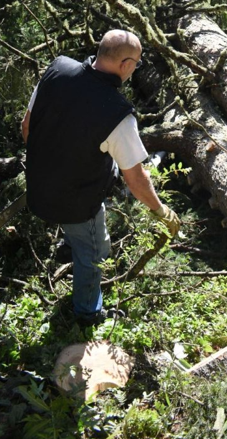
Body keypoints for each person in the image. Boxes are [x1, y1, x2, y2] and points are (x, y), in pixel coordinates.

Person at [21, 29, 180, 325]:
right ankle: (88, 314)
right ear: (126, 65)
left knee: (82, 235)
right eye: (137, 65)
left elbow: (27, 127)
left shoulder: (58, 69)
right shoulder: (118, 115)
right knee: (93, 254)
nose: (135, 70)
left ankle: (69, 243)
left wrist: (48, 164)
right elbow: (136, 180)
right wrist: (161, 211)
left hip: (39, 187)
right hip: (78, 204)